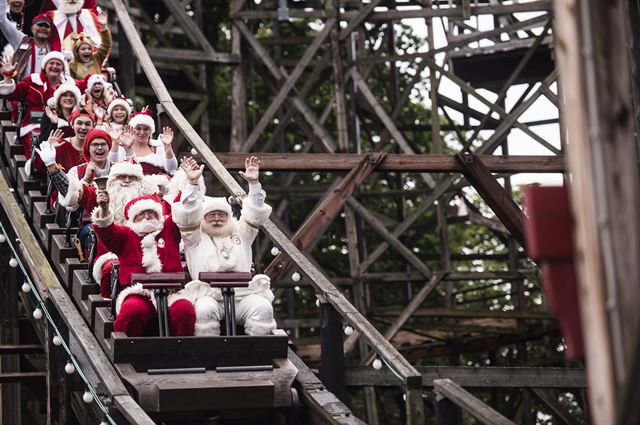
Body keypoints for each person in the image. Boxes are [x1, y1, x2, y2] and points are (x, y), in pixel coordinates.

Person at [174, 156, 276, 336]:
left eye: (221, 214)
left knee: (263, 307)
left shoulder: (241, 232)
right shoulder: (195, 236)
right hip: (209, 295)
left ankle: (258, 355)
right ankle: (208, 356)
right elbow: (188, 212)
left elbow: (255, 213)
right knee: (203, 311)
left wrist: (253, 184)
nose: (216, 218)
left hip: (241, 295)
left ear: (229, 217)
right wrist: (192, 182)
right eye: (211, 215)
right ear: (202, 218)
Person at [92, 192, 195, 337]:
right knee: (133, 310)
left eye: (151, 213)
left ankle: (181, 353)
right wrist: (104, 208)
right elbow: (106, 231)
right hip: (139, 293)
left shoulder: (169, 229)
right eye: (141, 213)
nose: (147, 217)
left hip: (171, 293)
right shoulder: (125, 235)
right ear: (133, 218)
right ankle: (125, 353)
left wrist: (191, 183)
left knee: (185, 310)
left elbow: (181, 209)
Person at [0, 50, 82, 158]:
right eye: (51, 63)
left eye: (58, 64)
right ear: (44, 66)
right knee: (37, 142)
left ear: (63, 68)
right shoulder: (32, 81)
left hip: (61, 125)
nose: (54, 66)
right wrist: (8, 76)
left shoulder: (68, 84)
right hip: (34, 124)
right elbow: (12, 94)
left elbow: (86, 84)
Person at [107, 107, 178, 175]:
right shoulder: (123, 146)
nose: (142, 132)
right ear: (132, 130)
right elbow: (112, 165)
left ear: (151, 131)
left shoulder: (157, 147)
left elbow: (171, 169)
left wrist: (167, 146)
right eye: (138, 128)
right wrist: (115, 142)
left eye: (146, 129)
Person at [0, 4, 55, 80]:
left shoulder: (56, 48)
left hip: (47, 90)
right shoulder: (21, 40)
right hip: (24, 89)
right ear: (32, 28)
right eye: (40, 25)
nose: (43, 28)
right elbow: (2, 20)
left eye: (46, 26)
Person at [68, 10, 111, 79]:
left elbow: (106, 45)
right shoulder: (72, 65)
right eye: (83, 49)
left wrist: (103, 26)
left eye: (89, 48)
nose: (87, 51)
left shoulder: (96, 58)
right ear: (77, 51)